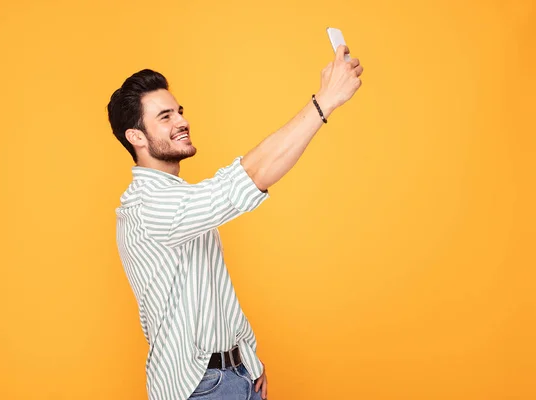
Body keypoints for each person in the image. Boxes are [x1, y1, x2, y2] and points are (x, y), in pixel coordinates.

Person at [107, 45, 363, 400]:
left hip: (237, 377)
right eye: (165, 117)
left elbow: (210, 293)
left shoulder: (178, 198)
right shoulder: (148, 207)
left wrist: (247, 359)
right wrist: (326, 100)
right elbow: (249, 176)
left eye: (179, 112)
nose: (182, 121)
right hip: (200, 388)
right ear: (136, 137)